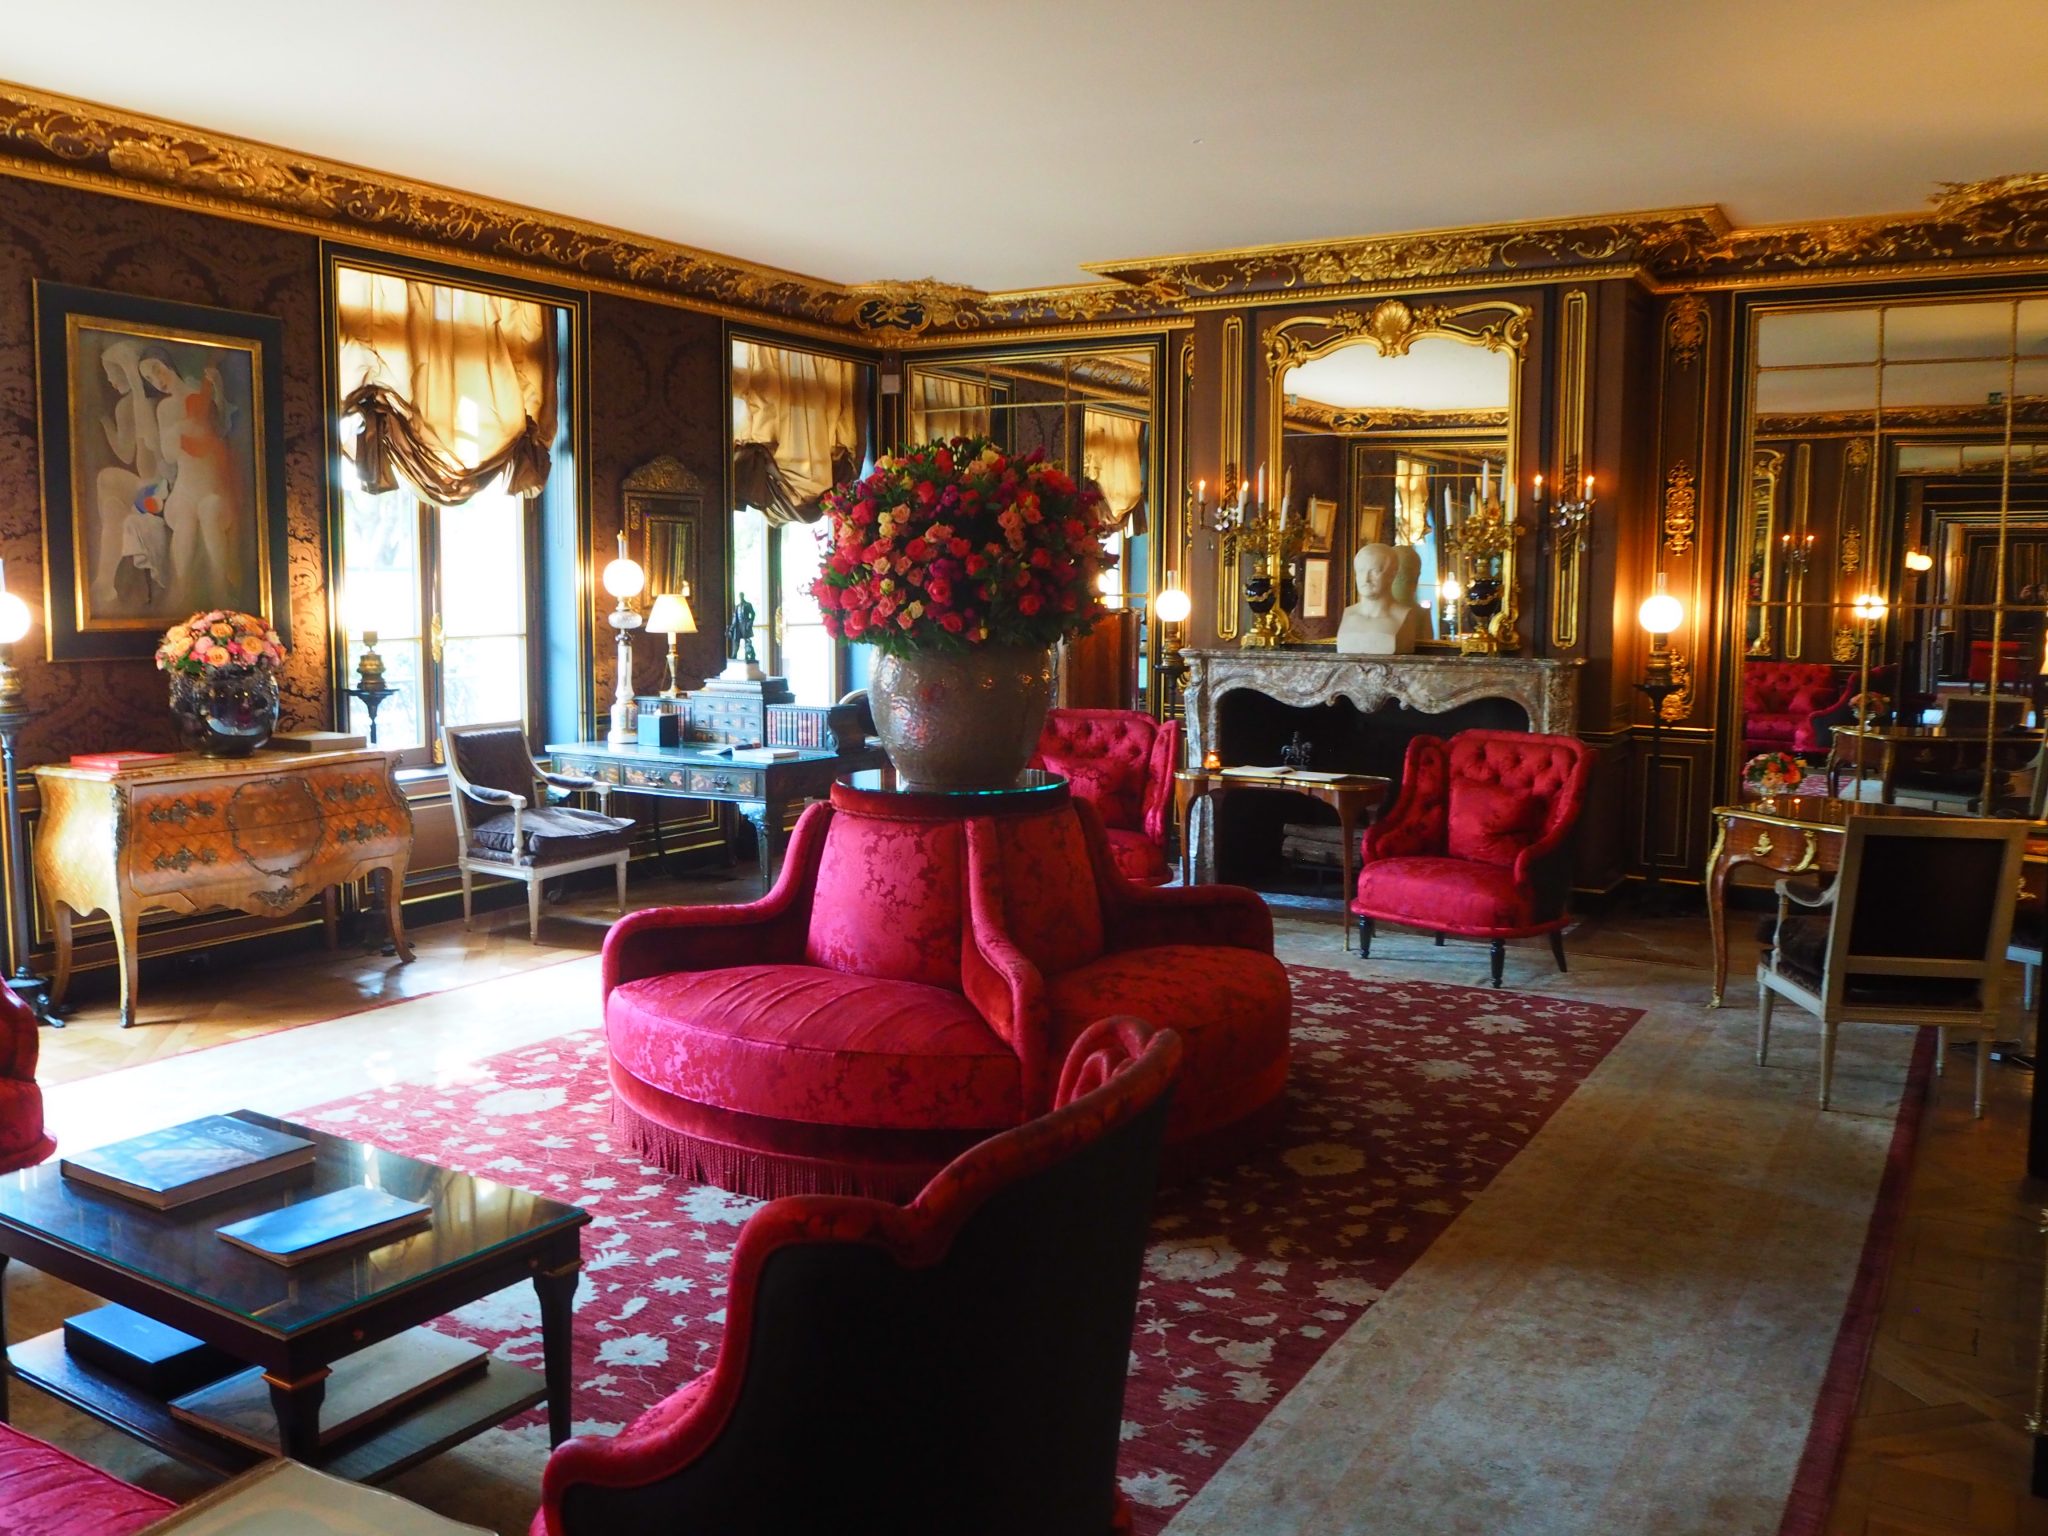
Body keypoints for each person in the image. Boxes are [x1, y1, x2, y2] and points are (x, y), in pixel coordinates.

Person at [1336, 542, 1422, 655]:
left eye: (1374, 571)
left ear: (1392, 575)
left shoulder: (1403, 616)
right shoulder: (1348, 614)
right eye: (1361, 571)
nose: (1366, 579)